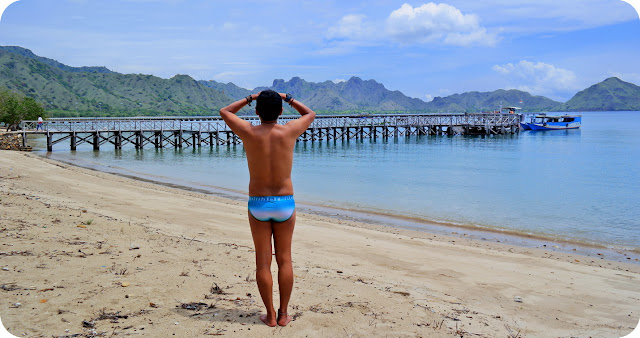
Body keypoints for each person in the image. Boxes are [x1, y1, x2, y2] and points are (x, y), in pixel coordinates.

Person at [220, 90, 315, 327]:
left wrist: (251, 97)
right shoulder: (290, 130)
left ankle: (270, 315)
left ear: (257, 112)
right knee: (285, 260)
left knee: (263, 263)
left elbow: (225, 111)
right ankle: (284, 315)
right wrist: (289, 97)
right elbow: (310, 113)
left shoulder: (249, 131)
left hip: (258, 204)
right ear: (282, 112)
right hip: (285, 203)